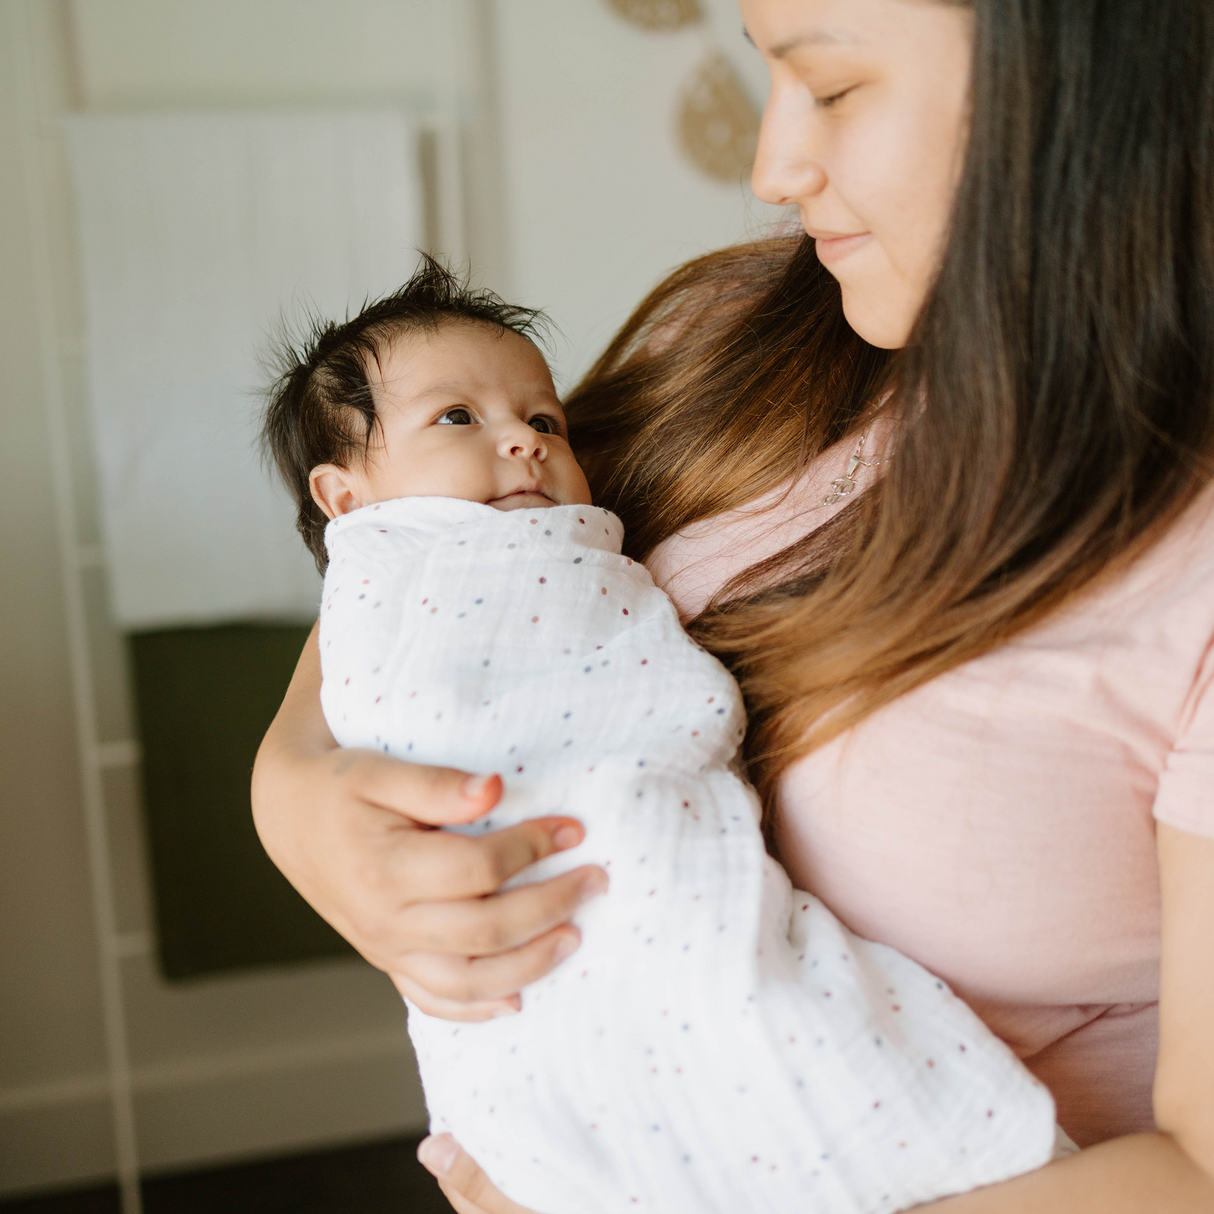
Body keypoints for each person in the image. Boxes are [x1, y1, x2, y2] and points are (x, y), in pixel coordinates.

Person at [251, 0, 1214, 1211]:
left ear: (1086, 90)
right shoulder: (733, 339)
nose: (772, 166)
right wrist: (292, 790)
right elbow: (443, 554)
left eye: (834, 87)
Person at [260, 260, 1060, 1213]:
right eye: (458, 418)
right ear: (344, 499)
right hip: (522, 886)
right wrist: (289, 787)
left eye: (544, 422)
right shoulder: (728, 338)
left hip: (674, 864)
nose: (523, 438)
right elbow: (379, 616)